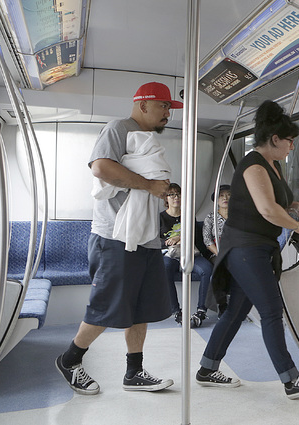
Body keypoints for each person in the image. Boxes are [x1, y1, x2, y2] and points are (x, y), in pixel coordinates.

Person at [55, 82, 182, 395]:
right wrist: (150, 186)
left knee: (142, 309)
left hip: (145, 239)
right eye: (163, 106)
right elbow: (101, 168)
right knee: (107, 307)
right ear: (142, 104)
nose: (168, 113)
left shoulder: (148, 140)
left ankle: (134, 371)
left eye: (169, 108)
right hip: (115, 238)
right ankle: (70, 360)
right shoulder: (119, 128)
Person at [195, 100, 299, 400]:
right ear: (275, 139)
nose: (292, 146)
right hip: (244, 248)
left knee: (237, 311)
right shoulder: (253, 165)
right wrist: (296, 227)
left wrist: (293, 206)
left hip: (257, 248)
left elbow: (276, 201)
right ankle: (291, 380)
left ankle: (207, 368)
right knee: (270, 310)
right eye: (290, 141)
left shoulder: (273, 166)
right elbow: (267, 210)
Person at [160, 183, 214, 328]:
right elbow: (157, 240)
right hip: (170, 255)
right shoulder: (161, 217)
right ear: (166, 198)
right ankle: (176, 311)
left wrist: (180, 238)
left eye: (178, 194)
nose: (176, 197)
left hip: (191, 253)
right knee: (165, 269)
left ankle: (201, 310)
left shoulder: (189, 216)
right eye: (172, 194)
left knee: (207, 269)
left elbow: (196, 237)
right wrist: (170, 242)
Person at [202, 184, 231, 258]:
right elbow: (207, 240)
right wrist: (219, 254)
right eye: (221, 195)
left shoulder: (238, 216)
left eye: (228, 195)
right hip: (217, 254)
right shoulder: (210, 217)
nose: (225, 198)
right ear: (216, 200)